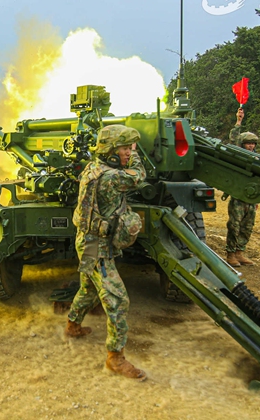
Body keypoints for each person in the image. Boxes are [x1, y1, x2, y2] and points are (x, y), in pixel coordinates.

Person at [65, 124, 147, 381]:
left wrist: (127, 151)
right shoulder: (112, 177)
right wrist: (135, 155)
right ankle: (116, 359)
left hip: (87, 240)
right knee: (118, 300)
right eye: (124, 148)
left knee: (89, 288)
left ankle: (72, 325)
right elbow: (139, 176)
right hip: (96, 245)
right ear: (111, 151)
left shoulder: (93, 168)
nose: (126, 152)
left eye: (128, 148)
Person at [226, 108, 259, 267]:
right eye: (248, 143)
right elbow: (233, 139)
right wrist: (238, 121)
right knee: (234, 225)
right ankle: (231, 254)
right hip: (238, 196)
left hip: (251, 198)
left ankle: (240, 252)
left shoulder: (257, 159)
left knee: (247, 226)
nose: (251, 146)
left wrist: (258, 199)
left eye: (253, 143)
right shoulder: (237, 155)